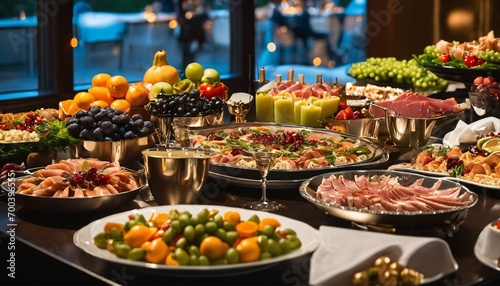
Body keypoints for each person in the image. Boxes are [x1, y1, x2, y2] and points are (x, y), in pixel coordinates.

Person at [176, 0, 209, 68]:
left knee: (193, 55)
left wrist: (195, 14)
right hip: (186, 34)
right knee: (186, 55)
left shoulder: (200, 4)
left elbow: (205, 15)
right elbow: (180, 16)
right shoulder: (181, 5)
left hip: (196, 33)